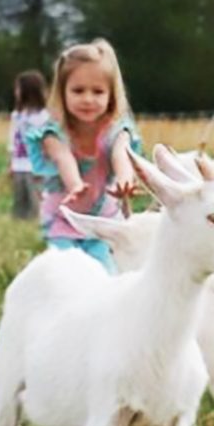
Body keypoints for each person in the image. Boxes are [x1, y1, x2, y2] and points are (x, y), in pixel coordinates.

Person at [25, 38, 141, 270]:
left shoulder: (117, 129)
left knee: (104, 272)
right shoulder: (52, 132)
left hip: (101, 221)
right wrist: (75, 184)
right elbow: (62, 157)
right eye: (78, 91)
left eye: (98, 91)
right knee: (65, 273)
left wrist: (124, 178)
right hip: (62, 218)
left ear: (111, 95)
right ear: (63, 92)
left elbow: (121, 152)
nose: (88, 99)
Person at [7, 70, 49, 220]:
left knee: (35, 201)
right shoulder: (17, 115)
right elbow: (12, 140)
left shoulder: (44, 117)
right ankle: (18, 224)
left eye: (18, 88)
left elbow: (47, 143)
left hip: (35, 167)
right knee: (19, 201)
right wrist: (10, 163)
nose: (16, 92)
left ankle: (36, 225)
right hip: (19, 165)